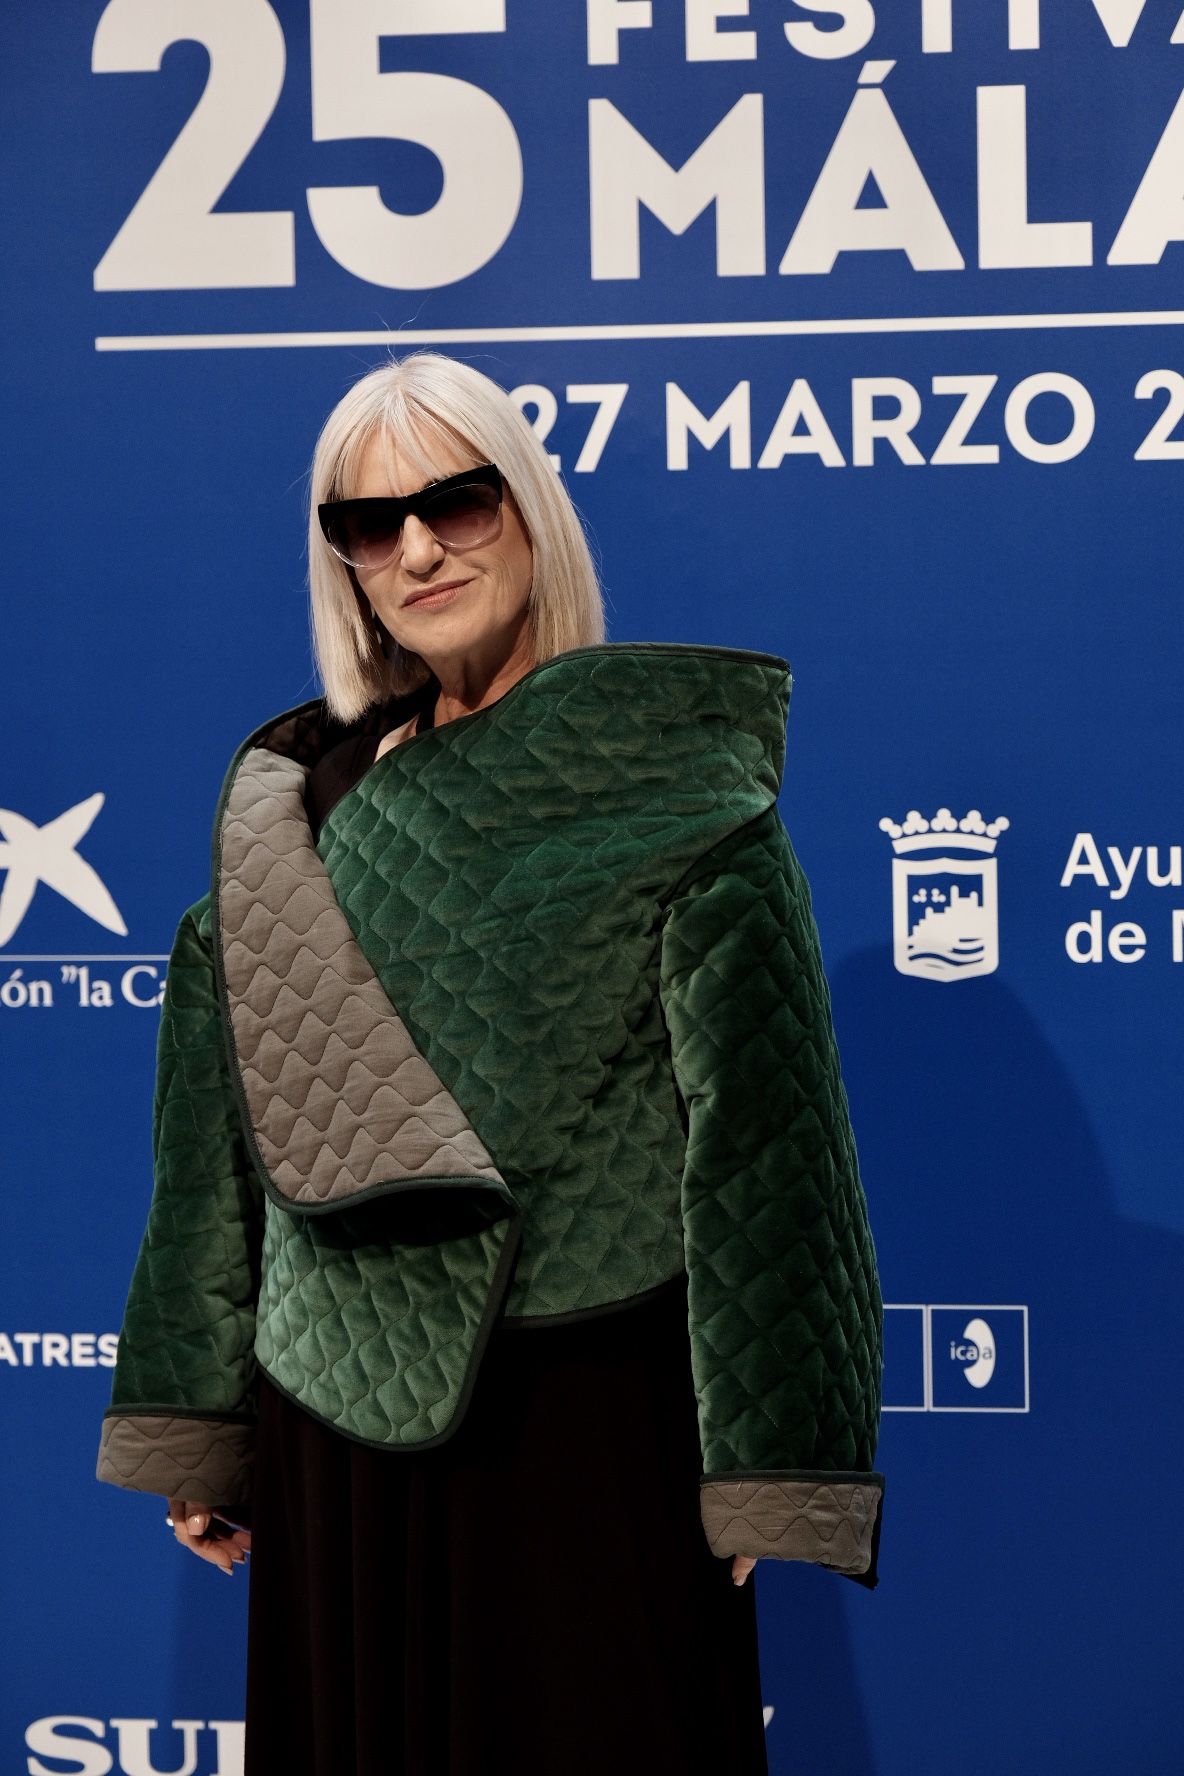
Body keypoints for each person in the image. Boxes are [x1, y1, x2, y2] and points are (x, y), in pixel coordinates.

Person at [95, 351, 885, 1776]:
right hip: (330, 1419)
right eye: (367, 522)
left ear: (528, 510)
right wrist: (201, 1422)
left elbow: (771, 1159)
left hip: (583, 1418)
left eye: (456, 501)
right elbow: (216, 1157)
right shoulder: (292, 815)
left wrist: (772, 1464)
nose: (416, 548)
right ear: (338, 561)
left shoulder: (681, 797)